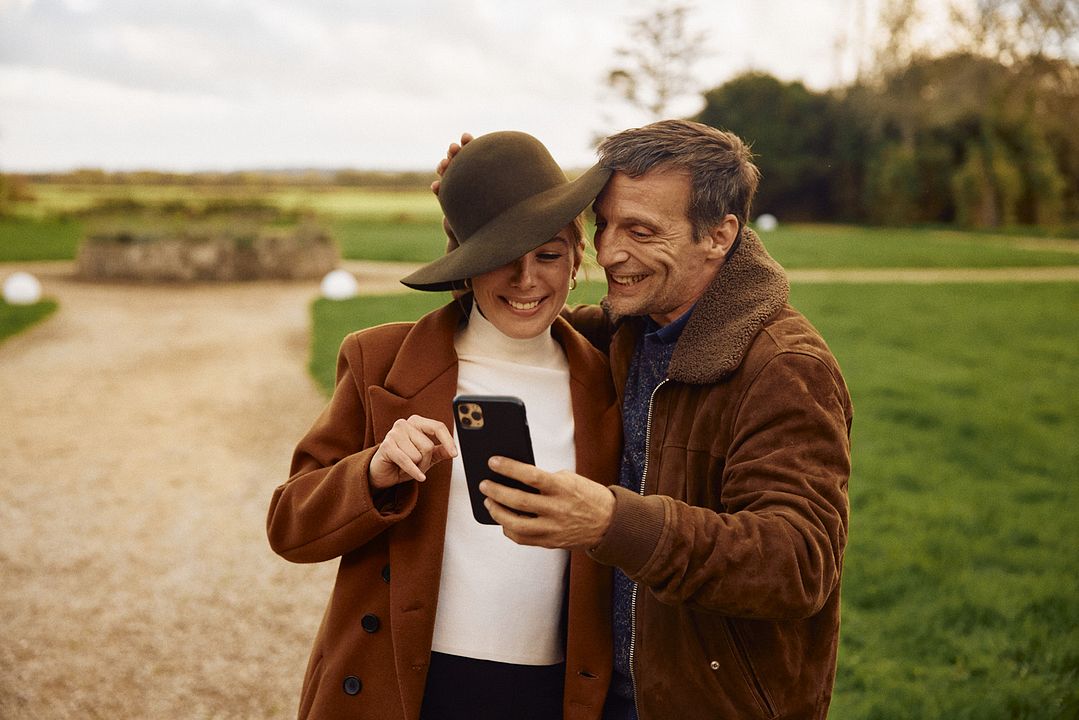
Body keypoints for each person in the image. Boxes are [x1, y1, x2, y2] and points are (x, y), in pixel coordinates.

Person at [436, 119, 853, 720]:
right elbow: (513, 309)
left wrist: (612, 521)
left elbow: (797, 562)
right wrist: (475, 213)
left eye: (641, 230)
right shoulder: (629, 330)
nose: (608, 253)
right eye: (604, 225)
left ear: (718, 235)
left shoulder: (785, 367)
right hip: (602, 696)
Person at [267, 131, 622, 720]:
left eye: (548, 254)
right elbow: (288, 525)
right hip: (406, 687)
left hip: (551, 695)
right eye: (502, 256)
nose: (528, 280)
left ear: (577, 256)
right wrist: (373, 472)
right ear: (469, 264)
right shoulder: (378, 360)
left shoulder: (611, 376)